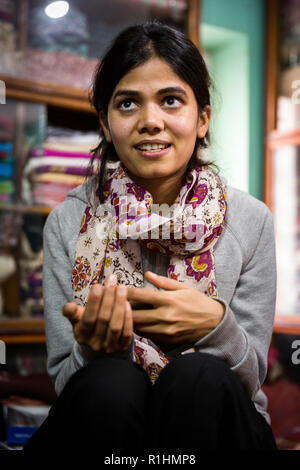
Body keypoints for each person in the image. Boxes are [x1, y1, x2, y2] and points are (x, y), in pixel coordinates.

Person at [23, 21, 277, 453]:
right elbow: (68, 386)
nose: (151, 122)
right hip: (109, 429)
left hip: (220, 428)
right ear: (105, 123)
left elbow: (249, 381)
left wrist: (216, 328)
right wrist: (96, 351)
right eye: (127, 104)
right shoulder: (69, 223)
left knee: (198, 376)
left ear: (202, 119)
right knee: (109, 382)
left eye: (172, 101)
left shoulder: (251, 221)